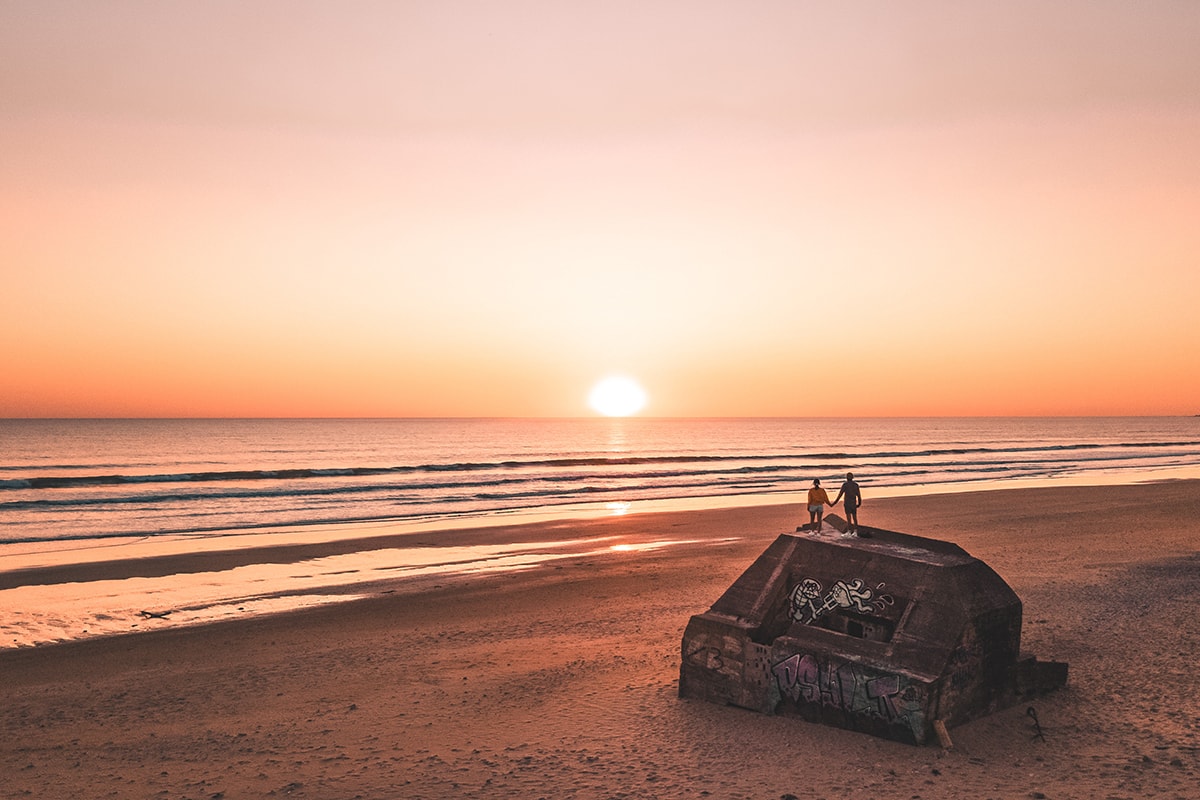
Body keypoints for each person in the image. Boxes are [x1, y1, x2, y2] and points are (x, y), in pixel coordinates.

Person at [830, 472, 863, 536]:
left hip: (847, 503)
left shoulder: (845, 485)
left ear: (847, 478)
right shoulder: (856, 485)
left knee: (849, 518)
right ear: (852, 477)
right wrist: (859, 503)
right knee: (854, 517)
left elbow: (840, 494)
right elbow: (858, 495)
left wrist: (834, 503)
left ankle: (849, 531)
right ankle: (855, 531)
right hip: (853, 502)